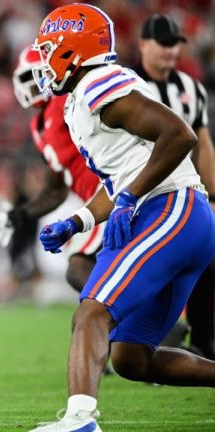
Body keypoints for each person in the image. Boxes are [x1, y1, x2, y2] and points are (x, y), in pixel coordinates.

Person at [29, 4, 215, 431]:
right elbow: (122, 178)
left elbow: (179, 135)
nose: (43, 60)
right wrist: (78, 222)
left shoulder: (98, 83)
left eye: (48, 50)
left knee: (92, 312)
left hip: (172, 209)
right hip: (181, 217)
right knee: (132, 357)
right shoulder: (84, 97)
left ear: (71, 51)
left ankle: (79, 421)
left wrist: (132, 195)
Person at [0, 46, 103, 294]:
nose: (33, 86)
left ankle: (138, 322)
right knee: (91, 269)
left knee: (80, 267)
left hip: (109, 195)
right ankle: (147, 323)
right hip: (93, 205)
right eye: (26, 79)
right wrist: (19, 215)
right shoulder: (38, 127)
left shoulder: (67, 100)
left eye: (37, 76)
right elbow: (55, 191)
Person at [133, 13, 215, 360]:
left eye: (175, 44)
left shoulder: (191, 89)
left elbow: (204, 145)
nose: (170, 51)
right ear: (143, 45)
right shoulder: (128, 86)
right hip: (140, 195)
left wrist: (212, 195)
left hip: (185, 195)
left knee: (205, 262)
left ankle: (202, 338)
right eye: (164, 44)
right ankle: (132, 340)